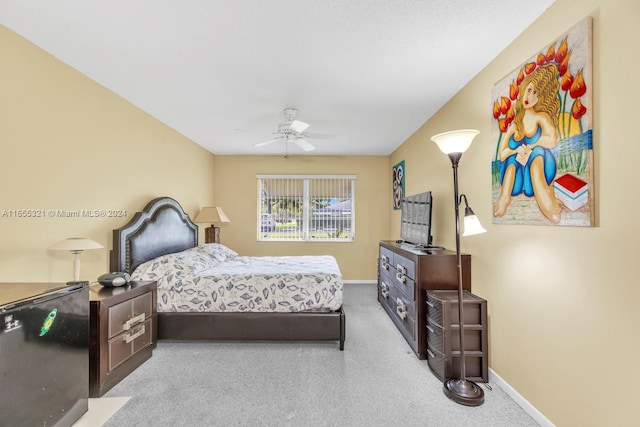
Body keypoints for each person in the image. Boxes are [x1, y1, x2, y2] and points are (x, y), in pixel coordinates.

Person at [493, 63, 563, 224]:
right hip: (519, 177)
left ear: (541, 96)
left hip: (540, 168)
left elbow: (552, 140)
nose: (529, 96)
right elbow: (502, 154)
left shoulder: (541, 117)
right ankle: (504, 199)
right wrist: (515, 150)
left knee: (537, 152)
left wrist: (531, 145)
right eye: (529, 90)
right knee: (511, 158)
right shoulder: (515, 125)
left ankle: (545, 196)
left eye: (535, 92)